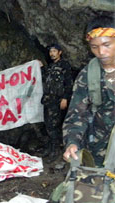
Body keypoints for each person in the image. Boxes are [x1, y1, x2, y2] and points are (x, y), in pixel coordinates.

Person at [63, 15, 115, 167]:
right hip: (100, 151)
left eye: (107, 45)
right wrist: (72, 142)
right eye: (94, 47)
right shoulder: (88, 75)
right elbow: (77, 114)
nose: (101, 52)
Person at [40, 44, 73, 161]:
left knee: (54, 126)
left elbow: (69, 83)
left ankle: (56, 152)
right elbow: (45, 79)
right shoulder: (50, 67)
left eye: (54, 51)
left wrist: (65, 98)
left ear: (60, 52)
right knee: (48, 125)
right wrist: (41, 67)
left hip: (57, 100)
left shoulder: (64, 65)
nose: (52, 53)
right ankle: (49, 148)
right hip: (48, 100)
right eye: (50, 52)